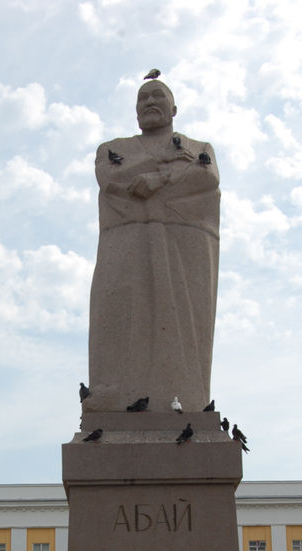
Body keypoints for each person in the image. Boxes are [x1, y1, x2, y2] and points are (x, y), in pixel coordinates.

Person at [85, 79, 220, 414]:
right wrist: (174, 168)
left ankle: (182, 397)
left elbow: (206, 179)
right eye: (142, 97)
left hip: (183, 248)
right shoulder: (112, 148)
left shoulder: (199, 146)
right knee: (119, 316)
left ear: (173, 108)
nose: (149, 101)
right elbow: (112, 180)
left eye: (158, 95)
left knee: (180, 325)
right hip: (125, 245)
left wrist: (157, 181)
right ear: (134, 111)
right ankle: (114, 396)